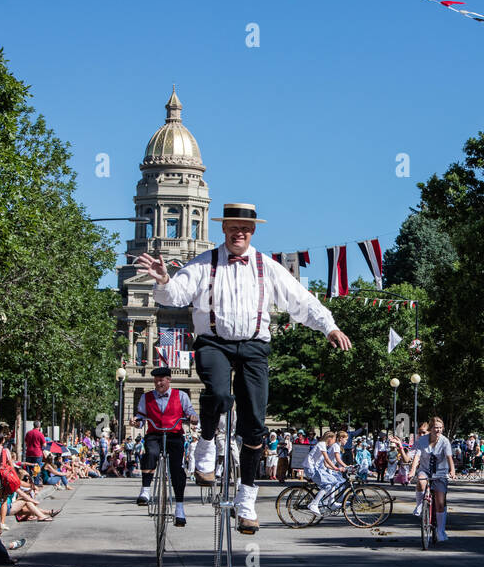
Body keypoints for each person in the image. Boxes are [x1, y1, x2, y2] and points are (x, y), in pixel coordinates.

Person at [135, 202, 351, 534]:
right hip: (213, 341)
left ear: (253, 232)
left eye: (246, 229)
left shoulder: (267, 266)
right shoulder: (204, 263)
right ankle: (206, 442)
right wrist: (164, 279)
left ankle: (246, 499)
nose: (239, 233)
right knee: (219, 394)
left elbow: (302, 301)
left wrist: (329, 327)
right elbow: (174, 295)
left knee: (254, 426)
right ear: (223, 229)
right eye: (234, 227)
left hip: (253, 346)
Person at [135, 365, 200, 526]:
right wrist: (136, 422)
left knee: (177, 469)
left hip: (174, 434)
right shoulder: (146, 397)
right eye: (156, 381)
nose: (158, 384)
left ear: (169, 380)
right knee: (150, 453)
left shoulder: (181, 396)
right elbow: (140, 418)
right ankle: (145, 490)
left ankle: (179, 508)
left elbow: (191, 412)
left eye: (161, 381)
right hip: (154, 434)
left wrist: (192, 418)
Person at [409, 416, 456, 543]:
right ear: (431, 429)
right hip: (425, 469)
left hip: (440, 472)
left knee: (440, 503)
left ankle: (440, 531)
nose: (438, 430)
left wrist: (452, 470)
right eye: (436, 427)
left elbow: (449, 457)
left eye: (440, 428)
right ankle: (419, 506)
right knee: (421, 481)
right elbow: (417, 457)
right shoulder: (422, 440)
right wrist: (412, 471)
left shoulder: (445, 441)